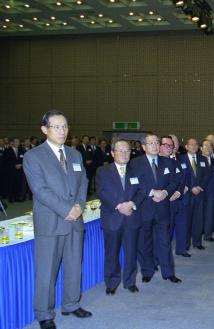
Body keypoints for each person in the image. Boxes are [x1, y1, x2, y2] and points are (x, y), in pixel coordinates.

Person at [23, 110, 92, 329]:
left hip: (75, 219)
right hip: (51, 221)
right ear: (44, 130)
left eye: (65, 127)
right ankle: (44, 313)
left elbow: (83, 181)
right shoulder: (34, 156)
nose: (62, 131)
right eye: (57, 127)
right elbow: (40, 190)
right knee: (47, 271)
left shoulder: (75, 154)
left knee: (74, 266)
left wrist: (79, 206)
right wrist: (66, 210)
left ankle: (71, 304)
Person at [129, 133, 182, 283]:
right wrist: (152, 192)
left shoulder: (168, 163)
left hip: (163, 208)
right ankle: (147, 270)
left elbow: (174, 181)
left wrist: (165, 192)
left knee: (165, 241)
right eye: (150, 143)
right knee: (144, 242)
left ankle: (168, 272)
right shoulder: (135, 163)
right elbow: (135, 183)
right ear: (143, 146)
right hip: (145, 208)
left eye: (156, 143)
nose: (154, 145)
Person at [96, 140, 146, 295]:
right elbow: (102, 192)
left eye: (127, 151)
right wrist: (119, 206)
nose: (124, 154)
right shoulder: (102, 171)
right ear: (112, 153)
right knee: (111, 253)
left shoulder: (136, 171)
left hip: (131, 218)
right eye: (120, 150)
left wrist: (131, 204)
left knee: (131, 252)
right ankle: (111, 282)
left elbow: (142, 191)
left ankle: (130, 281)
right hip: (112, 219)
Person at [179, 138, 210, 250]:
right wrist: (191, 187)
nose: (194, 146)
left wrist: (200, 187)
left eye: (196, 144)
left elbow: (207, 175)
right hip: (187, 194)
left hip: (199, 194)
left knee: (198, 219)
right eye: (191, 144)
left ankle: (197, 242)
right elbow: (180, 177)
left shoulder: (203, 159)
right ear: (186, 146)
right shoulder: (181, 159)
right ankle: (186, 244)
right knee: (186, 220)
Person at [200, 139, 214, 242]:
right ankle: (197, 235)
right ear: (201, 148)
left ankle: (208, 235)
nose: (208, 148)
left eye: (210, 146)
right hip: (200, 192)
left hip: (212, 192)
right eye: (206, 146)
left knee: (209, 214)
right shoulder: (198, 160)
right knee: (199, 215)